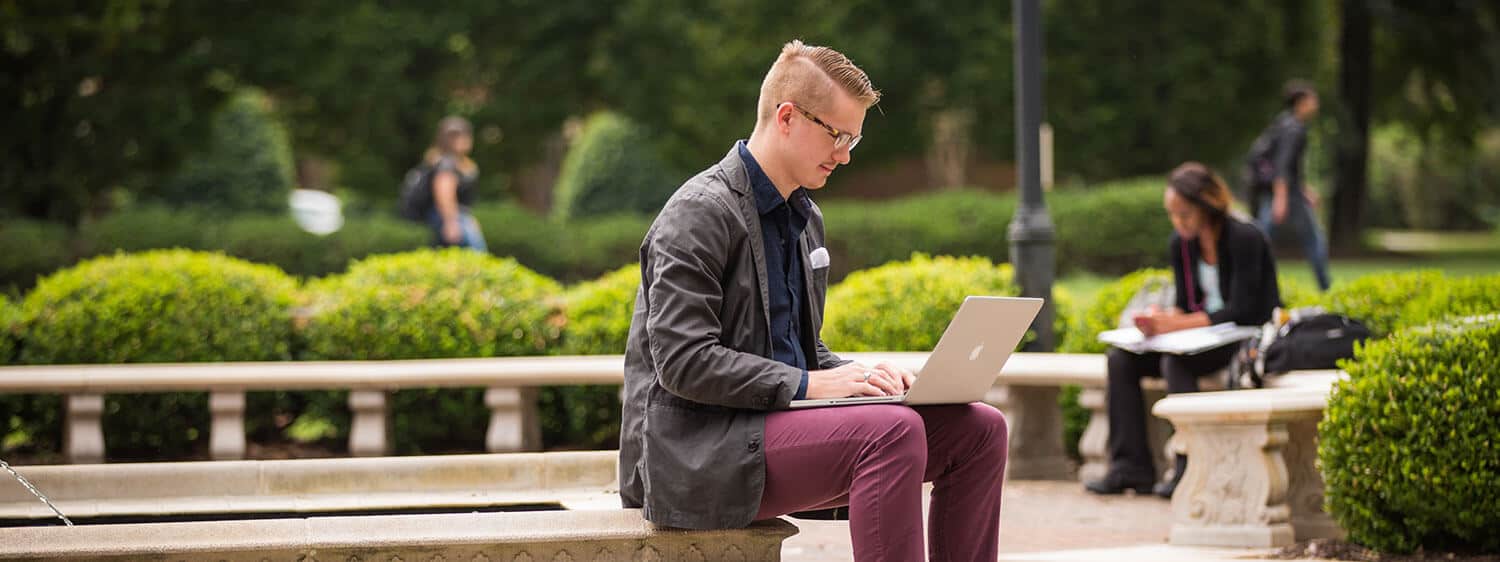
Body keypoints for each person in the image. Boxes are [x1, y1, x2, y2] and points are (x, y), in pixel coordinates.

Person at [618, 40, 1011, 561]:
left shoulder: (804, 218)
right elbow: (682, 362)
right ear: (787, 117)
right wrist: (811, 383)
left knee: (980, 430)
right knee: (889, 433)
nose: (846, 154)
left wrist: (864, 378)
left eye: (855, 139)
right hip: (695, 453)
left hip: (769, 429)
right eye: (839, 134)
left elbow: (797, 349)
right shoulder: (698, 213)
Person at [1084, 162, 1281, 499]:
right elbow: (1188, 304)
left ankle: (1188, 466)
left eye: (1185, 213)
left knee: (1176, 363)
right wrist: (1157, 320)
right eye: (1172, 214)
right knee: (1121, 360)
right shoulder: (1182, 243)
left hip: (1244, 336)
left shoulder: (1245, 237)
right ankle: (1130, 468)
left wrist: (1175, 324)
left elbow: (1242, 309)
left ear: (1207, 204)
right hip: (1201, 337)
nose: (1179, 222)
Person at [1254, 80, 1330, 290]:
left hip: (1285, 191)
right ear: (1300, 102)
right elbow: (1283, 165)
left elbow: (1287, 167)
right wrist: (1281, 197)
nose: (1316, 104)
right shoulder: (1294, 129)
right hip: (1285, 193)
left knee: (1260, 240)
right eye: (1312, 100)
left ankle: (1254, 283)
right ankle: (1326, 287)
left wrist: (1305, 190)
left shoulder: (1283, 123)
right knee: (1314, 240)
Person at [421, 116, 487, 251]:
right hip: (446, 215)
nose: (460, 140)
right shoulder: (447, 163)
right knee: (476, 252)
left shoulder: (459, 162)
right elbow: (444, 194)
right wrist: (451, 222)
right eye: (454, 136)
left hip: (454, 216)